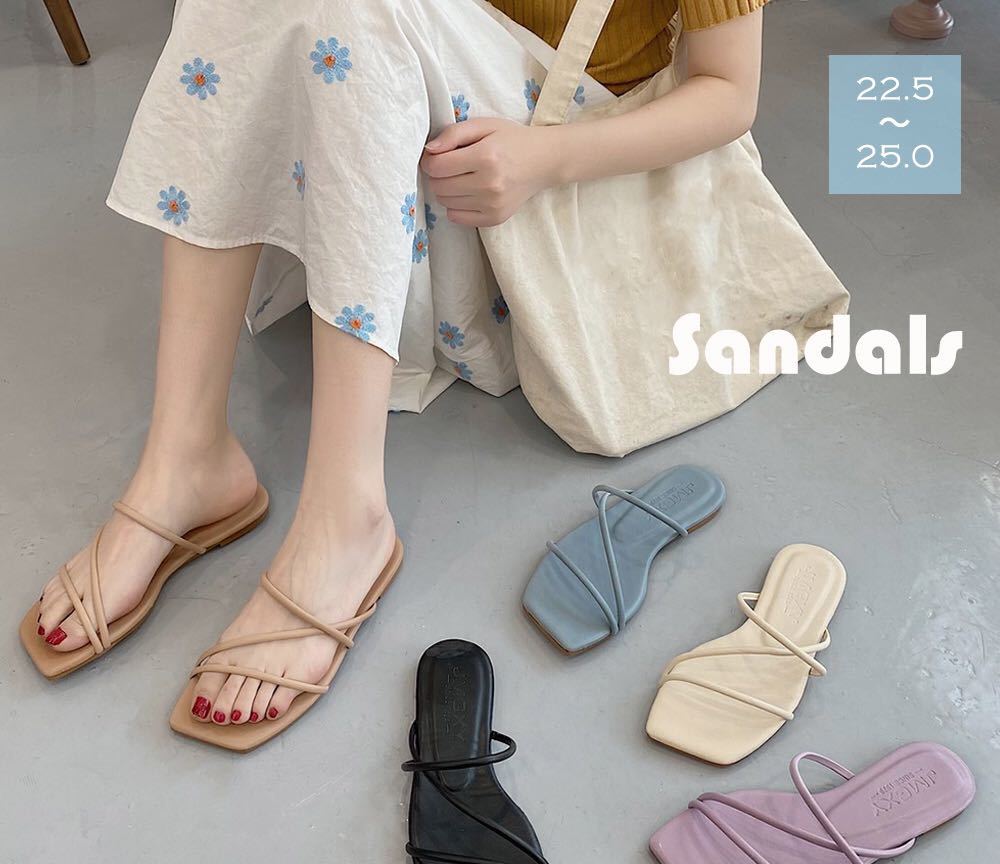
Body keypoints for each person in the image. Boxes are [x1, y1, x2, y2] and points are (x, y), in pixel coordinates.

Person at [31, 0, 767, 728]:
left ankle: (345, 519)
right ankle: (184, 457)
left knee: (358, 18)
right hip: (408, 134)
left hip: (549, 173)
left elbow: (730, 92)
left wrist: (542, 159)